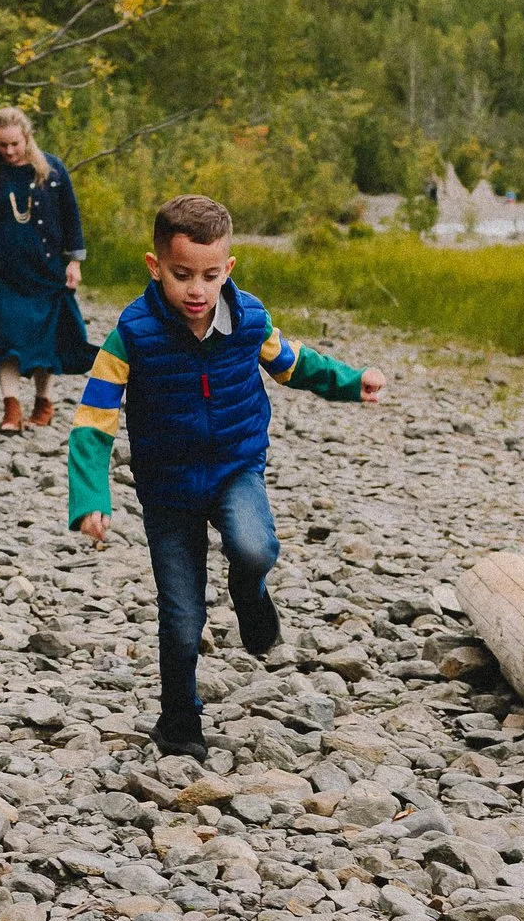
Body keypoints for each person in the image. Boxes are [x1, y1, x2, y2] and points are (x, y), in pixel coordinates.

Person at [65, 195, 387, 757]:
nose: (197, 289)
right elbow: (94, 418)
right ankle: (179, 722)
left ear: (228, 268)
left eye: (210, 276)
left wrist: (351, 381)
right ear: (155, 266)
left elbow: (294, 363)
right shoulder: (133, 334)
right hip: (167, 487)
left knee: (254, 547)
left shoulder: (249, 321)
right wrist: (91, 495)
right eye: (182, 274)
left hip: (236, 466)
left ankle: (248, 593)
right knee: (182, 615)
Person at [0, 105, 97, 434]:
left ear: (27, 137)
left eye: (15, 144)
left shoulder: (52, 169)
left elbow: (70, 216)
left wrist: (74, 261)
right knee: (3, 335)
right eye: (2, 145)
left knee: (44, 339)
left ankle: (43, 401)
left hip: (45, 270)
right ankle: (11, 406)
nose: (9, 151)